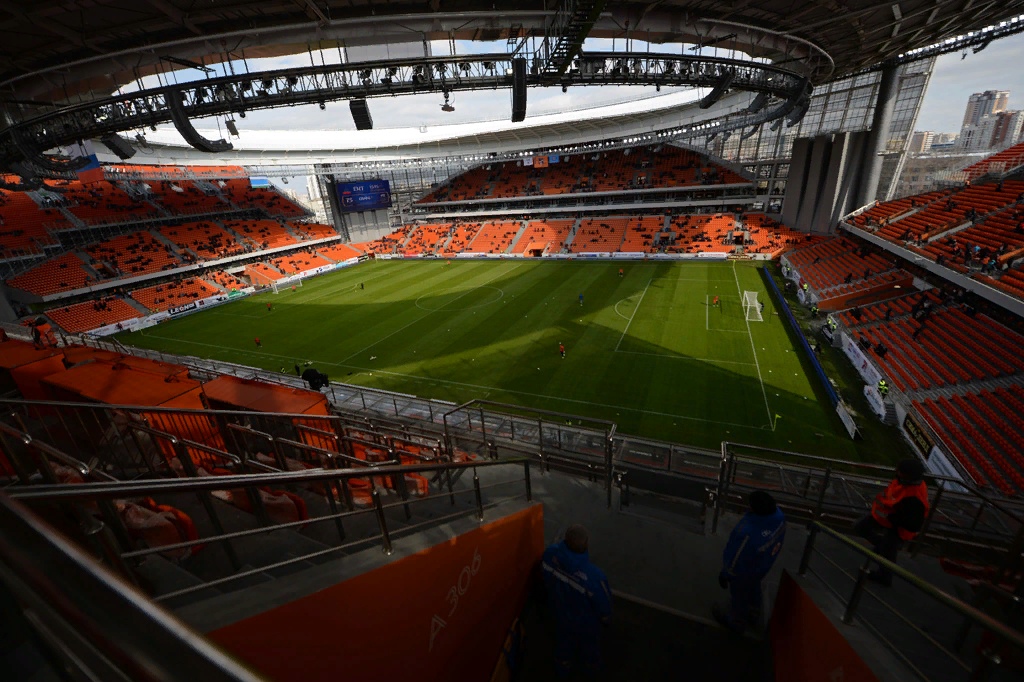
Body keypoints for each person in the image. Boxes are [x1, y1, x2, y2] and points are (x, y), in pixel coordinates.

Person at [541, 525, 611, 677]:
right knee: (590, 648)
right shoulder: (594, 577)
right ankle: (592, 670)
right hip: (585, 623)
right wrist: (606, 619)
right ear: (586, 545)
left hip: (559, 614)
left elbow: (546, 579)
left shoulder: (549, 554)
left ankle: (562, 670)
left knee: (563, 645)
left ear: (566, 540)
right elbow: (603, 604)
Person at [714, 491, 786, 634]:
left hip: (744, 572)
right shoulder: (779, 517)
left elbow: (736, 557)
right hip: (763, 566)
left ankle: (736, 621)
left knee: (739, 595)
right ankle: (754, 611)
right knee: (754, 587)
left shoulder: (748, 533)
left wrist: (726, 573)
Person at [854, 459, 929, 587]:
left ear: (908, 475)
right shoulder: (903, 481)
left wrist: (894, 519)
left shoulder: (914, 497)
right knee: (860, 527)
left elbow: (914, 525)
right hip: (885, 517)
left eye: (899, 470)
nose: (896, 471)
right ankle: (880, 546)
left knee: (888, 553)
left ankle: (884, 577)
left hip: (897, 527)